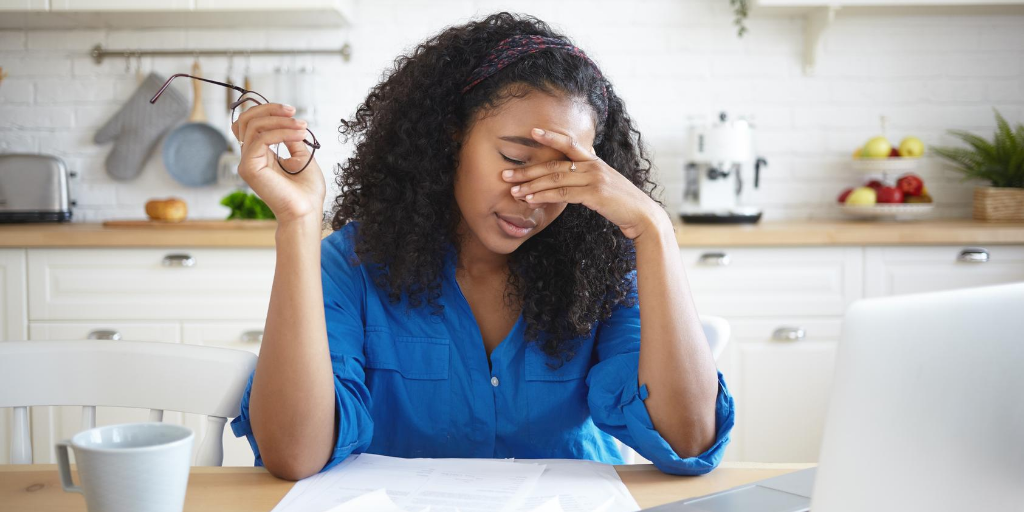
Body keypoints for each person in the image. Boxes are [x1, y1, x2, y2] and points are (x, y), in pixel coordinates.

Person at [227, 12, 734, 481]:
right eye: (516, 157)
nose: (532, 195)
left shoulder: (602, 265)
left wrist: (655, 231)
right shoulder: (353, 264)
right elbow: (294, 456)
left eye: (565, 172)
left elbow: (687, 440)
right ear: (454, 137)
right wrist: (297, 221)